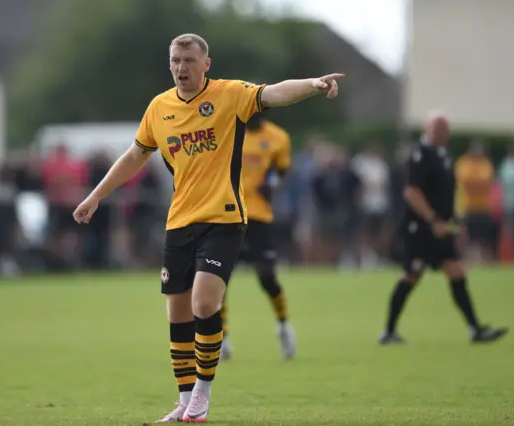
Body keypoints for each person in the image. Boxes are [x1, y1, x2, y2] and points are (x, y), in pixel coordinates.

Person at [73, 33, 344, 423]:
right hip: (179, 221)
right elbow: (135, 155)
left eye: (187, 60)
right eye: (174, 60)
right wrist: (95, 196)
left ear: (206, 64)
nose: (180, 67)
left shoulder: (229, 95)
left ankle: (202, 393)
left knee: (204, 303)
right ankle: (184, 400)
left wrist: (313, 86)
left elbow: (274, 93)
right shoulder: (159, 108)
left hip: (225, 218)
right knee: (178, 313)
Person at [380, 113, 508, 345]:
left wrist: (453, 215)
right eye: (440, 128)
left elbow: (444, 191)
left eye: (446, 129)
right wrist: (432, 220)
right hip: (420, 229)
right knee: (411, 276)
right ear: (430, 130)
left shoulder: (443, 155)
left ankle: (475, 328)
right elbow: (411, 192)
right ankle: (388, 332)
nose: (445, 133)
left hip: (441, 227)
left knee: (457, 270)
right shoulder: (420, 155)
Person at [219, 111, 296, 361]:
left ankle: (284, 325)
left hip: (260, 216)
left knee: (267, 277)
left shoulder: (278, 137)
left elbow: (282, 171)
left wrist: (271, 183)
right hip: (228, 214)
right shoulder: (226, 132)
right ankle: (222, 336)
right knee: (219, 279)